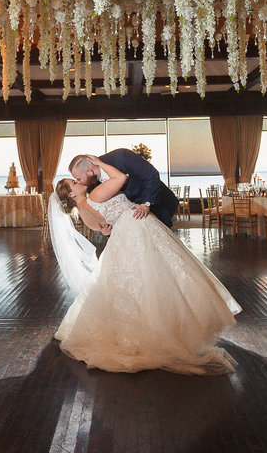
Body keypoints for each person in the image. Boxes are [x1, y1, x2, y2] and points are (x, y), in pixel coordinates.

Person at [50, 158, 240, 375]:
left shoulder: (83, 211)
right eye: (74, 183)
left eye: (76, 179)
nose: (78, 181)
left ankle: (149, 329)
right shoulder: (95, 195)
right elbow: (121, 178)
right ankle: (172, 330)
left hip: (125, 233)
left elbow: (104, 230)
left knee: (141, 280)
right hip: (138, 225)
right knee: (164, 274)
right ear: (72, 194)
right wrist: (99, 162)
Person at [68, 149, 180, 228]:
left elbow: (151, 175)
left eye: (78, 178)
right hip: (133, 219)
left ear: (90, 172)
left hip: (158, 203)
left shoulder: (121, 157)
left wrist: (146, 204)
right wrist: (106, 230)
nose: (79, 182)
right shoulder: (90, 187)